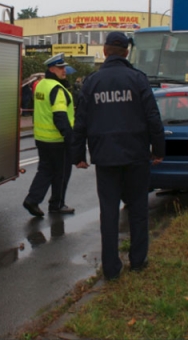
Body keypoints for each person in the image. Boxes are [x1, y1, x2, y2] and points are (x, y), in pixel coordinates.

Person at [72, 32, 165, 280]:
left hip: (105, 158)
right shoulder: (138, 79)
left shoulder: (92, 82)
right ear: (126, 52)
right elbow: (153, 119)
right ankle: (138, 261)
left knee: (109, 212)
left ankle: (111, 269)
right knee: (137, 209)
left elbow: (80, 121)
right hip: (136, 156)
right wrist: (158, 150)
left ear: (104, 51)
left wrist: (79, 154)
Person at [23, 53, 76, 216]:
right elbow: (60, 116)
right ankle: (57, 204)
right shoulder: (57, 89)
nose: (64, 71)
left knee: (45, 170)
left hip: (41, 138)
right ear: (52, 69)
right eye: (61, 68)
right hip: (57, 140)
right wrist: (70, 138)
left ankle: (32, 200)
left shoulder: (41, 85)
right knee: (61, 173)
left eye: (64, 68)